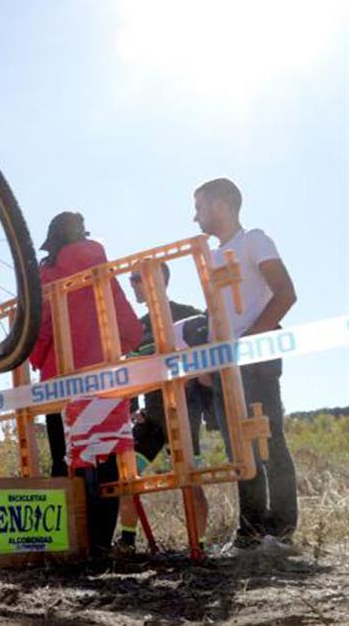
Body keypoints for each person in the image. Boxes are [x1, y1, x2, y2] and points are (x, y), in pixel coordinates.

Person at [28, 212, 142, 555]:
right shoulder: (101, 268)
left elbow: (40, 326)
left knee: (65, 459)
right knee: (105, 457)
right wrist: (112, 349)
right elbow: (129, 325)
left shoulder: (46, 273)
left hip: (60, 381)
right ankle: (100, 544)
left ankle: (72, 544)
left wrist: (38, 357)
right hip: (106, 377)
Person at [193, 177, 298, 549]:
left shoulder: (255, 239)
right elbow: (215, 313)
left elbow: (286, 293)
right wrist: (209, 360)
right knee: (240, 450)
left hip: (255, 360)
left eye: (200, 207)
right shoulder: (209, 257)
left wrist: (251, 343)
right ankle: (250, 535)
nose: (195, 217)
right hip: (224, 366)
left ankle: (282, 533)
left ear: (221, 205)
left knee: (268, 441)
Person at [115, 264, 212, 554]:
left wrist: (206, 404)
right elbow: (128, 367)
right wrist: (132, 406)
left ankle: (199, 546)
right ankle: (128, 542)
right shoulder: (137, 326)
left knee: (190, 481)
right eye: (130, 280)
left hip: (184, 413)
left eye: (136, 280)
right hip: (152, 416)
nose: (132, 286)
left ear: (158, 281)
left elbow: (208, 361)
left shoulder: (188, 314)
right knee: (126, 477)